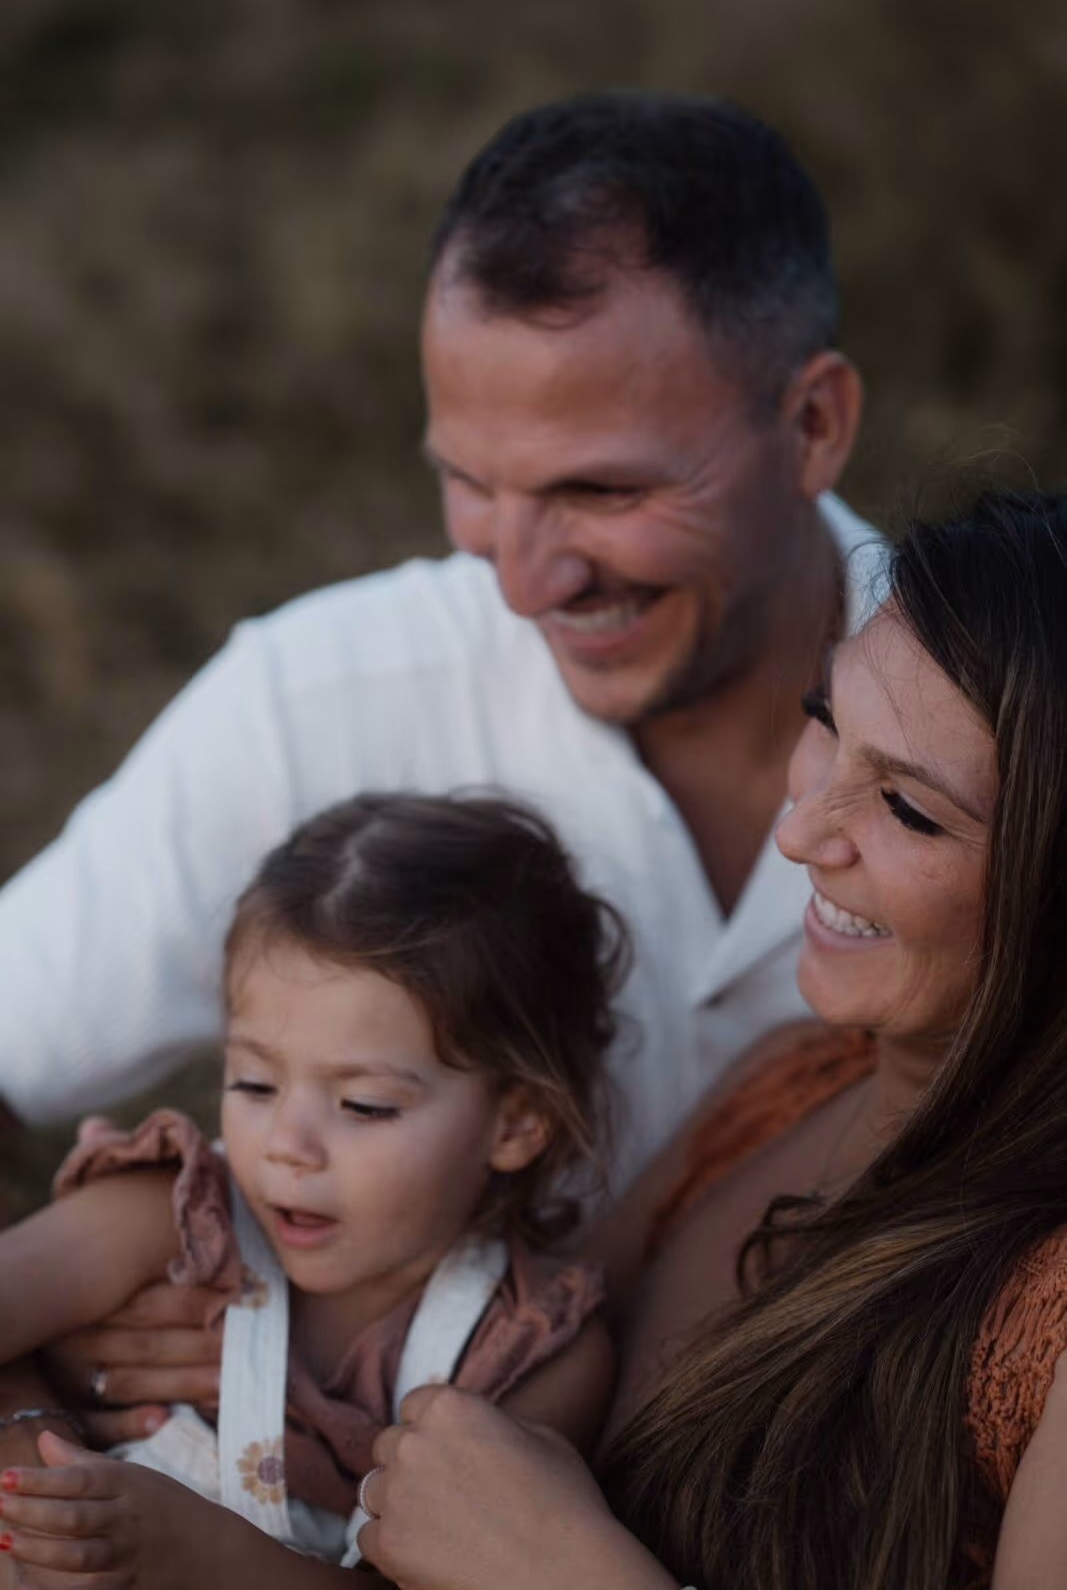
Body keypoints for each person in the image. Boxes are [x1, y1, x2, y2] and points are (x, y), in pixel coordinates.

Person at [0, 91, 877, 1445]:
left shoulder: (1002, 727)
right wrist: (50, 1367)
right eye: (471, 480)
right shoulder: (316, 698)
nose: (525, 578)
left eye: (602, 491)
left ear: (811, 425)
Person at [184, 487, 1067, 1590]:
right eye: (826, 724)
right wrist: (193, 1346)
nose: (797, 831)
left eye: (906, 810)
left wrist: (568, 1571)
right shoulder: (782, 1083)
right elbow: (481, 1362)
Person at [0, 792, 618, 1582]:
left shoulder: (533, 1352)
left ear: (516, 1123)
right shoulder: (173, 1211)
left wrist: (201, 1549)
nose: (287, 1148)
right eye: (254, 1084)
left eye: (363, 1104)